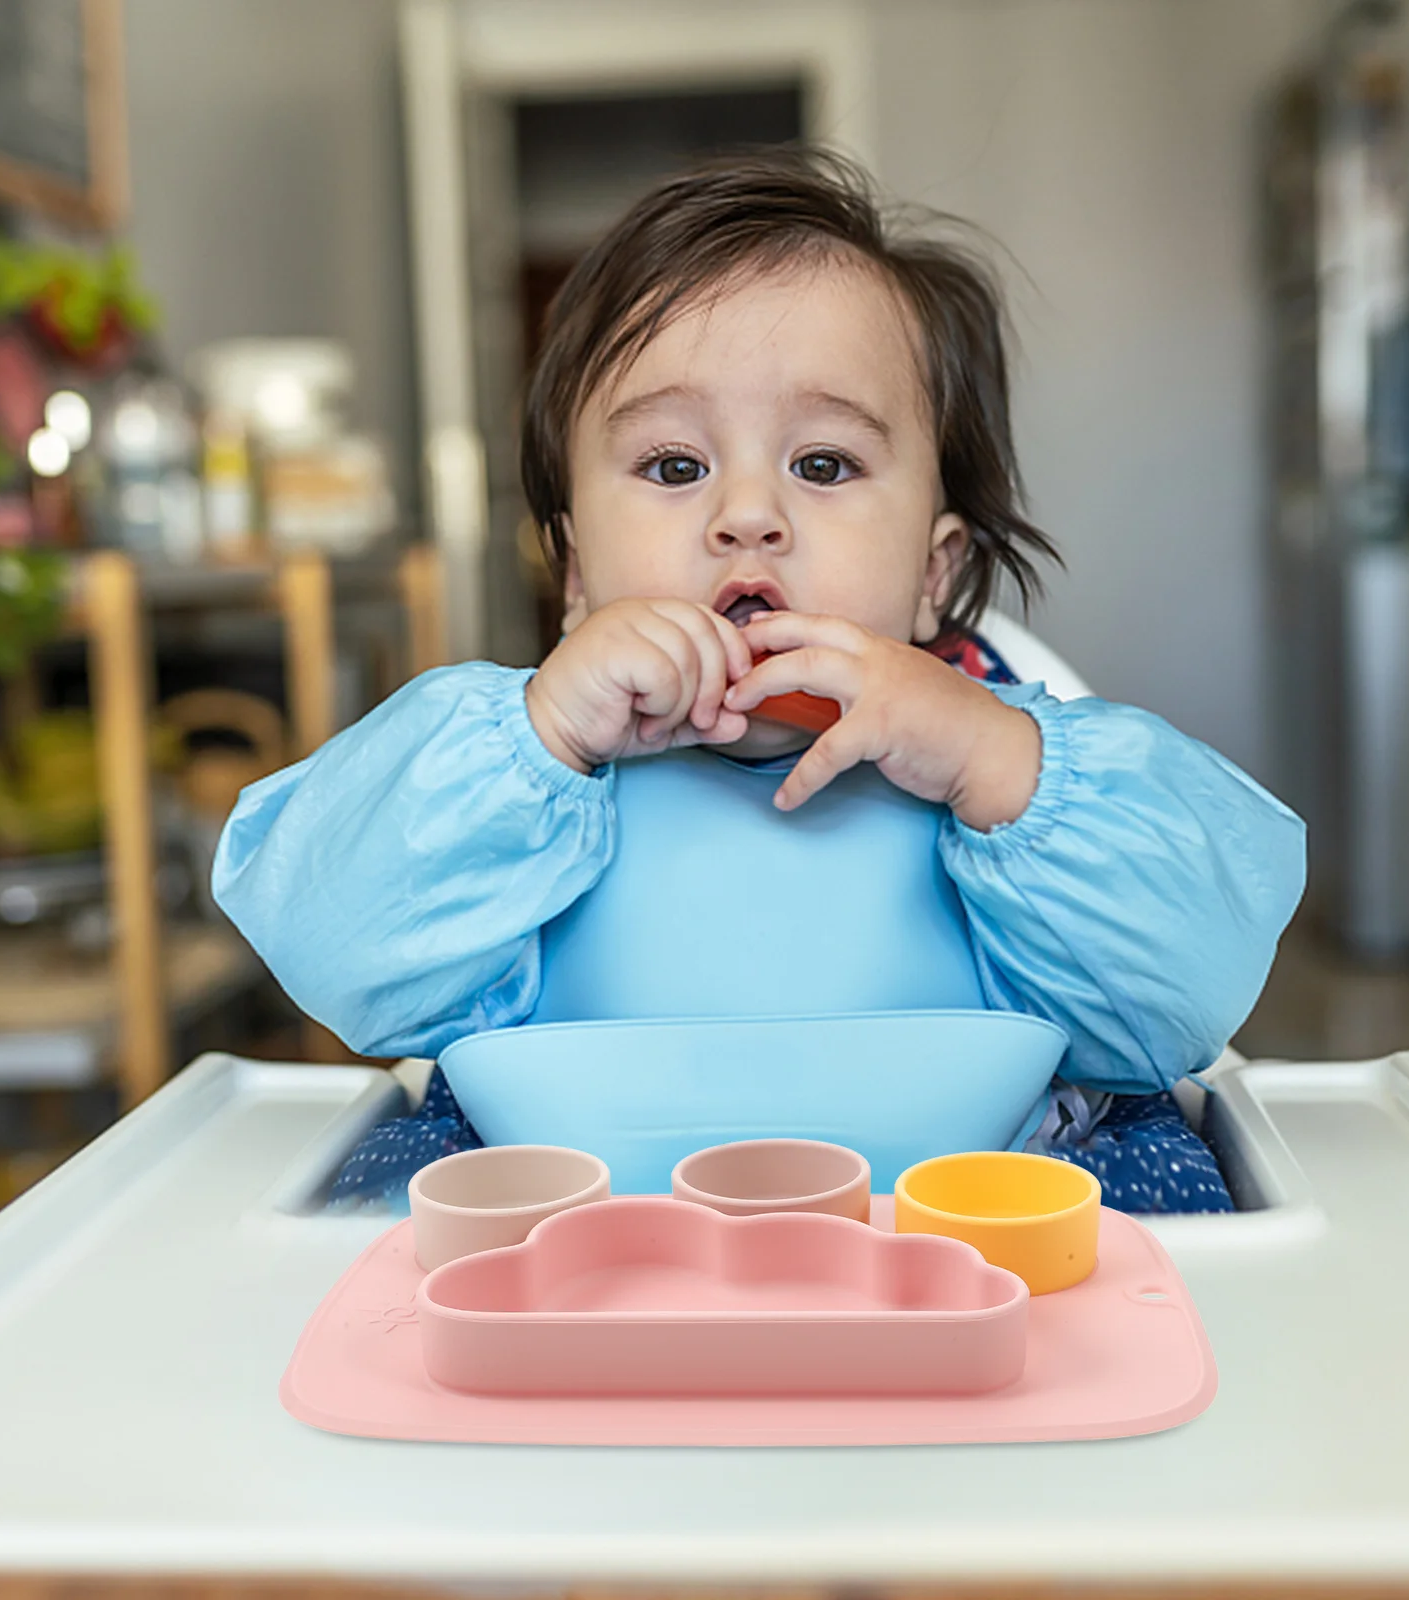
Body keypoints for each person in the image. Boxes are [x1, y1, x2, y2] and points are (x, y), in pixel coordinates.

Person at [213, 149, 1305, 1213]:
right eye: (674, 467)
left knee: (1153, 1186)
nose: (746, 513)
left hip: (961, 1247)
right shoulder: (518, 792)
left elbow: (1191, 987)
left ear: (934, 576)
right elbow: (324, 933)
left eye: (821, 464)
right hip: (581, 1251)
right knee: (392, 1215)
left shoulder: (1013, 778)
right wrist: (534, 735)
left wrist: (995, 760)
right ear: (578, 575)